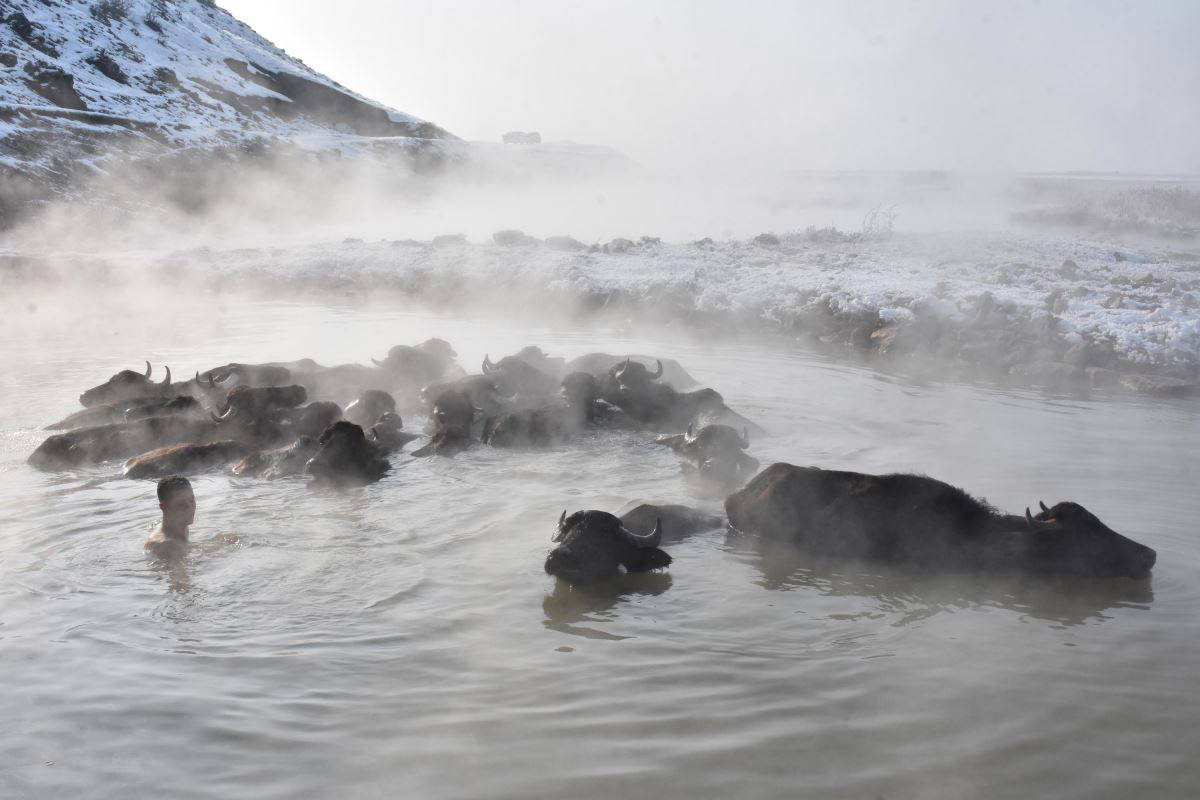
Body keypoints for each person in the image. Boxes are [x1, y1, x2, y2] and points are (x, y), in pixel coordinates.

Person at [145, 475, 195, 560]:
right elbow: (179, 572)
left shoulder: (180, 524)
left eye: (191, 500)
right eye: (181, 504)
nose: (190, 507)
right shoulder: (167, 546)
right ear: (164, 507)